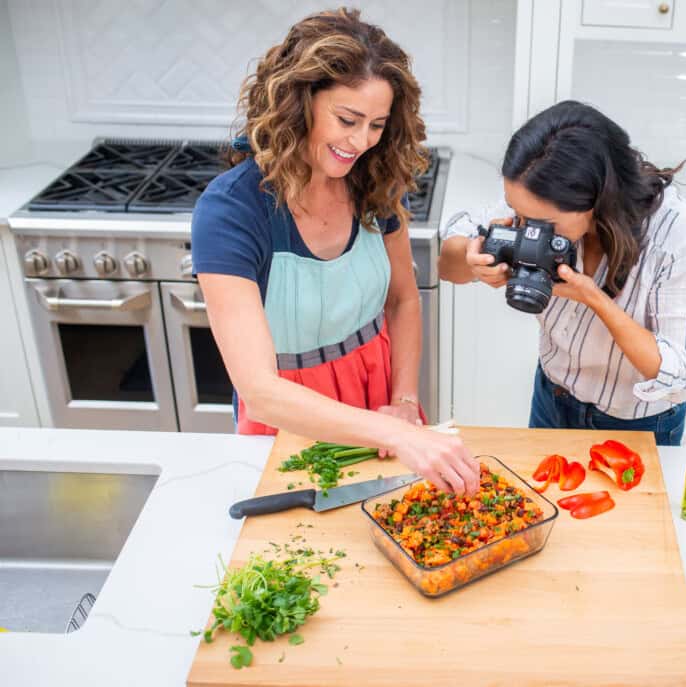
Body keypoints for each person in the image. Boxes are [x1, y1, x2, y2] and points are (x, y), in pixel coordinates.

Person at [191, 8, 478, 493]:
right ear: (298, 103)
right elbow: (259, 392)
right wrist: (392, 432)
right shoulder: (231, 211)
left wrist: (404, 401)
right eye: (347, 119)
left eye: (376, 125)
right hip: (289, 413)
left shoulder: (377, 183)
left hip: (381, 394)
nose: (360, 142)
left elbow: (403, 299)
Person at [439, 101, 686, 446]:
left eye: (542, 223)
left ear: (597, 200)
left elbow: (678, 371)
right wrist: (471, 258)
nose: (526, 228)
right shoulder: (534, 198)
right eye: (516, 211)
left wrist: (593, 298)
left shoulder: (678, 235)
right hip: (551, 398)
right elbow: (447, 265)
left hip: (637, 423)